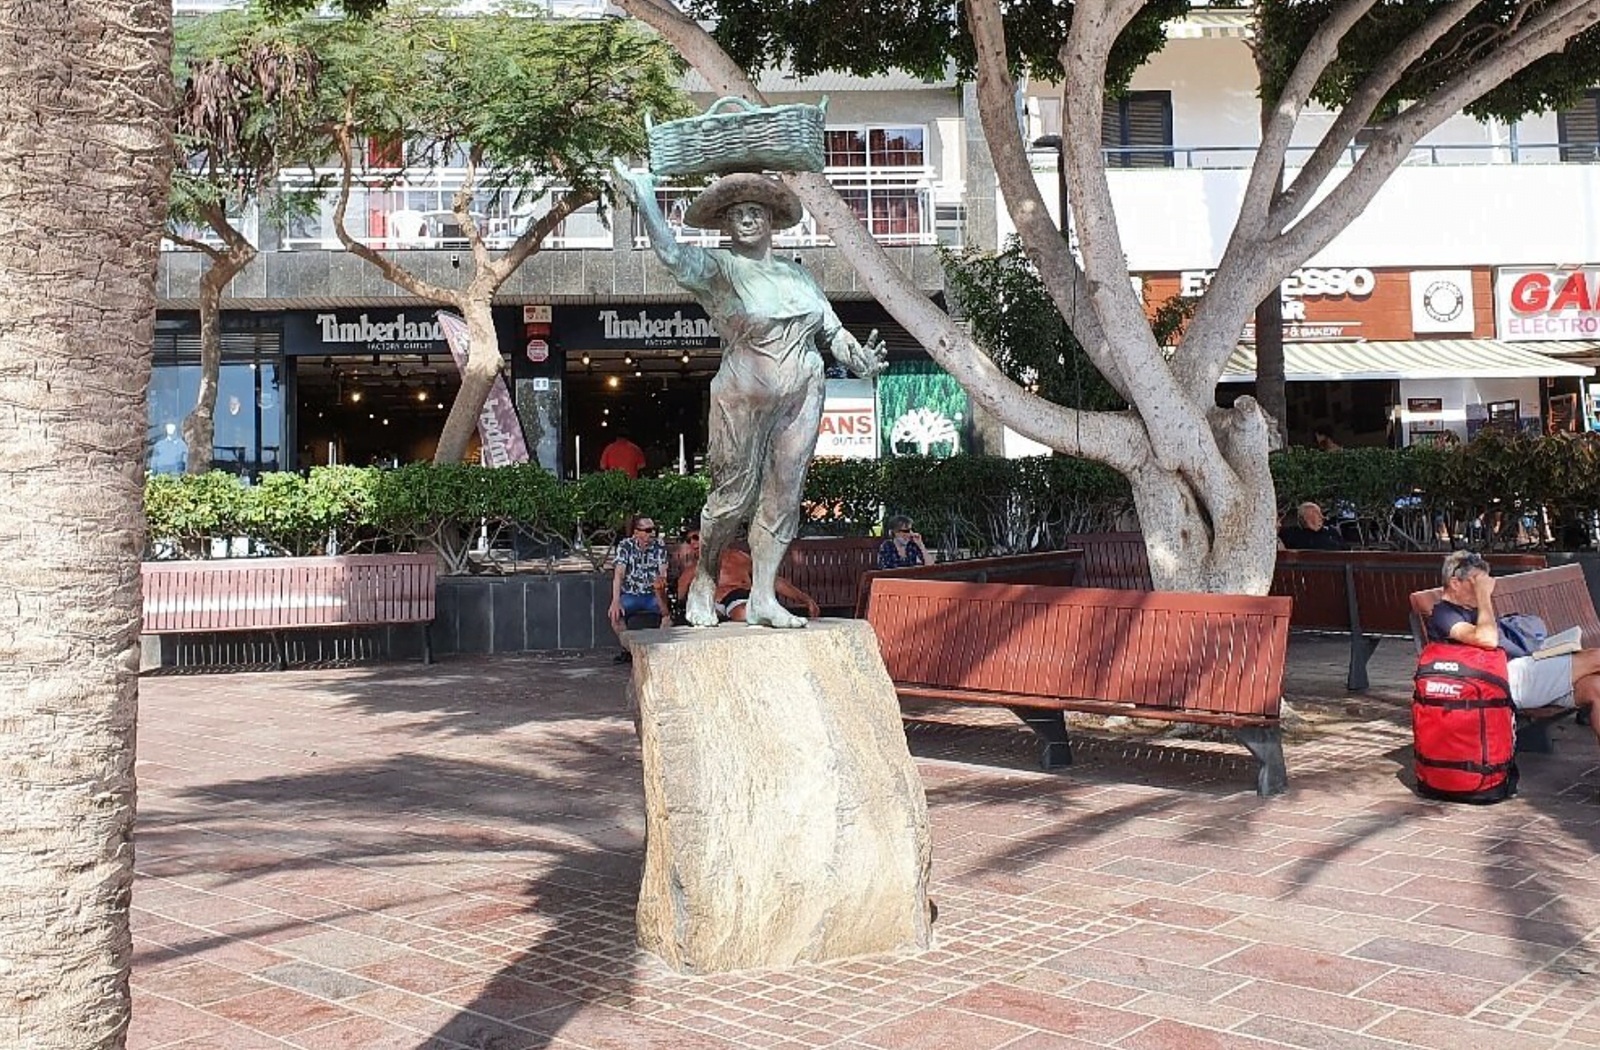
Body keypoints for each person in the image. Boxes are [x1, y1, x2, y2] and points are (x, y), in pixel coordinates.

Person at [615, 160, 888, 629]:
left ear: (771, 220)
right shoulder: (720, 267)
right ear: (724, 222)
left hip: (803, 388)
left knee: (783, 495)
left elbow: (832, 330)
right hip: (742, 392)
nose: (747, 217)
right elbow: (673, 256)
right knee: (730, 498)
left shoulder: (798, 277)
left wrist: (860, 358)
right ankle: (705, 577)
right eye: (737, 210)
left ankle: (763, 595)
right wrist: (645, 200)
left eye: (756, 209)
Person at [1426, 550, 1600, 744]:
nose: (1485, 588)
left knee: (1595, 688)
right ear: (1455, 583)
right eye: (1477, 582)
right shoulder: (1443, 614)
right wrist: (1484, 596)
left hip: (1523, 670)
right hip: (1499, 681)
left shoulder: (1474, 610)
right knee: (1596, 658)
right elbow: (1488, 640)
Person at [676, 528, 820, 623]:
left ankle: (766, 613)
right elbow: (679, 596)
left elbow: (771, 580)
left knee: (743, 613)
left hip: (737, 597)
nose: (692, 543)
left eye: (695, 537)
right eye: (688, 541)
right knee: (702, 615)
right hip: (710, 603)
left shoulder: (737, 557)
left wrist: (805, 599)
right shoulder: (693, 568)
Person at [608, 514, 669, 663]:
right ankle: (632, 651)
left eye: (653, 529)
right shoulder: (625, 546)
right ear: (636, 532)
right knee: (615, 617)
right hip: (631, 594)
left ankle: (658, 651)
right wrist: (615, 600)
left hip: (652, 594)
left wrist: (661, 582)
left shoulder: (659, 546)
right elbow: (619, 574)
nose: (651, 533)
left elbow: (663, 571)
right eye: (647, 530)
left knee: (667, 617)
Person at [1278, 502, 1346, 551]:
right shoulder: (1291, 534)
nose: (1322, 517)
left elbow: (1345, 551)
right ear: (1305, 517)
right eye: (1316, 513)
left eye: (1320, 513)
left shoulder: (1331, 532)